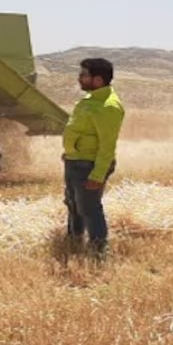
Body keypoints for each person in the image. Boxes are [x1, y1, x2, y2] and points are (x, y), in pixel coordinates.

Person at [61, 57, 125, 257]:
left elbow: (107, 145)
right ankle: (74, 241)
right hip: (75, 161)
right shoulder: (90, 100)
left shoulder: (108, 107)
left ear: (98, 80)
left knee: (89, 208)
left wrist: (97, 175)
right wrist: (69, 153)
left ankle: (98, 250)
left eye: (83, 75)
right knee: (73, 204)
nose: (79, 78)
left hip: (89, 165)